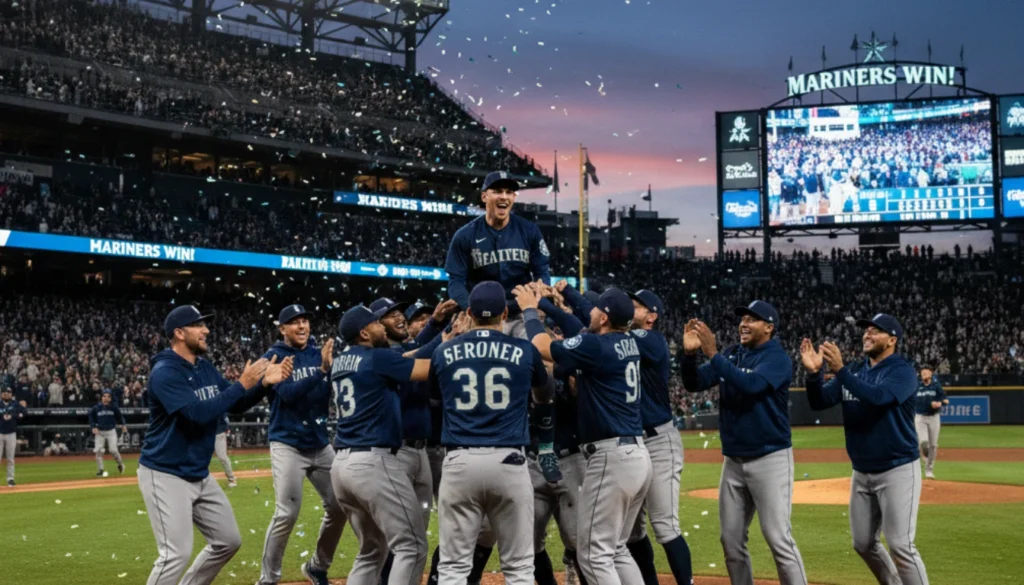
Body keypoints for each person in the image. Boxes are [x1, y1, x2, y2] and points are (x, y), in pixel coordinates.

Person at [137, 305, 293, 585]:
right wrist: (241, 384)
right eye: (199, 325)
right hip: (165, 473)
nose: (206, 330)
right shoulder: (165, 371)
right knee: (175, 554)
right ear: (179, 333)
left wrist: (263, 385)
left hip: (197, 472)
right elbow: (196, 414)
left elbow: (236, 403)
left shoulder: (204, 367)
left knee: (227, 540)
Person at [515, 285, 651, 585]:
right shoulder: (625, 341)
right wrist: (550, 306)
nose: (589, 311)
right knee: (615, 550)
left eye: (596, 309)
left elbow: (541, 347)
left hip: (611, 455)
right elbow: (580, 328)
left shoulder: (596, 346)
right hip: (637, 454)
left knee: (593, 555)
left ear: (604, 318)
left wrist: (529, 310)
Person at [431, 281, 554, 585]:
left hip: (459, 461)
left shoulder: (444, 351)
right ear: (503, 315)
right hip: (509, 461)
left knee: (453, 568)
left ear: (469, 312)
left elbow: (435, 400)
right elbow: (544, 396)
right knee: (519, 568)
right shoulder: (524, 350)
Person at [680, 301, 807, 585]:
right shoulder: (733, 354)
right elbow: (695, 383)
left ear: (769, 327)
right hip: (734, 460)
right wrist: (689, 356)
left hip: (769, 458)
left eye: (753, 319)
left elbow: (751, 386)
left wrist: (712, 353)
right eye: (742, 319)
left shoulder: (777, 359)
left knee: (778, 539)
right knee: (731, 541)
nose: (744, 324)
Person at [802, 313, 930, 585]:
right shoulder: (858, 370)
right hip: (862, 471)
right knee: (863, 543)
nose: (867, 334)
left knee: (901, 546)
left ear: (892, 340)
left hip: (897, 468)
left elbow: (879, 398)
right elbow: (821, 400)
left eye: (876, 331)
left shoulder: (902, 371)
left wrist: (841, 371)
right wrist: (814, 375)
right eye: (866, 330)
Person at [327, 304, 434, 585]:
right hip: (373, 461)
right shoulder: (377, 357)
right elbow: (425, 368)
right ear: (364, 333)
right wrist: (454, 344)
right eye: (376, 323)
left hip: (342, 466)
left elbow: (403, 357)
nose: (382, 327)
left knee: (371, 550)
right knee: (412, 546)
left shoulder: (340, 361)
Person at [258, 304, 346, 585]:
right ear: (281, 328)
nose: (301, 326)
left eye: (305, 320)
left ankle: (317, 567)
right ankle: (268, 579)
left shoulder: (318, 353)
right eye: (293, 321)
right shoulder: (274, 356)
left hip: (320, 443)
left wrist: (330, 369)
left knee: (340, 505)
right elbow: (289, 394)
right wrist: (321, 370)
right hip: (287, 444)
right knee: (286, 513)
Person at [444, 171, 551, 339]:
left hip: (519, 314)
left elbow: (542, 271)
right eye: (497, 191)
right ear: (484, 196)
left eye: (509, 192)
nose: (504, 196)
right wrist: (469, 309)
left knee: (538, 351)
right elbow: (455, 282)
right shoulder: (465, 235)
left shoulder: (529, 230)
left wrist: (537, 296)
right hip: (481, 316)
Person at [914, 365, 947, 479]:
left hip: (934, 417)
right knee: (923, 442)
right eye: (922, 374)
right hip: (920, 417)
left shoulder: (936, 386)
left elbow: (944, 399)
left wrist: (939, 403)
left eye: (926, 373)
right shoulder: (917, 386)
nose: (924, 375)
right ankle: (924, 457)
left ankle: (929, 470)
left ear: (931, 374)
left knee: (933, 445)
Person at [89, 389, 127, 477]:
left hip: (111, 431)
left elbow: (120, 417)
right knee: (98, 451)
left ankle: (120, 464)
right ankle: (100, 470)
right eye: (104, 396)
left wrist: (123, 425)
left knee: (113, 450)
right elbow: (91, 418)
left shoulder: (114, 407)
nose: (106, 398)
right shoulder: (96, 408)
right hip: (100, 432)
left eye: (108, 396)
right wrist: (93, 426)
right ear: (101, 397)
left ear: (110, 398)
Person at [1, 386, 27, 486]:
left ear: (11, 394)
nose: (6, 394)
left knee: (10, 458)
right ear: (1, 394)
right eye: (4, 392)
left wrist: (15, 415)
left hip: (11, 433)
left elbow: (24, 412)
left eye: (8, 392)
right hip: (0, 433)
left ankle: (10, 478)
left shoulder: (14, 404)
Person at [213, 414, 237, 487]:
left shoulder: (217, 404)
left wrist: (226, 430)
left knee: (222, 457)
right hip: (205, 434)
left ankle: (231, 479)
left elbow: (225, 420)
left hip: (218, 433)